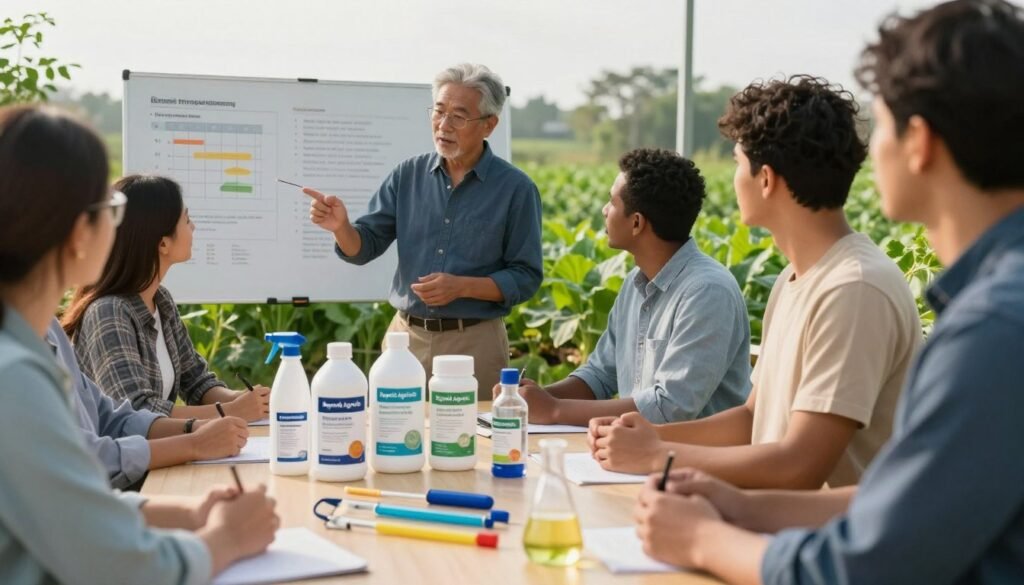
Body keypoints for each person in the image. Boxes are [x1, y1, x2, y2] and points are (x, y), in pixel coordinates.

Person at [633, 1, 1024, 583]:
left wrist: (704, 539)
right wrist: (733, 504)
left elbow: (870, 560)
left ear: (919, 142)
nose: (869, 155)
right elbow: (900, 503)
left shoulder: (993, 326)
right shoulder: (992, 303)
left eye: (882, 125)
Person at [591, 75, 922, 488]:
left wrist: (659, 455)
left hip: (818, 543)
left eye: (736, 163)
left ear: (765, 179)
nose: (733, 179)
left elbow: (800, 465)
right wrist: (645, 436)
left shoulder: (853, 289)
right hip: (773, 525)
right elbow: (753, 418)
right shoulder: (794, 278)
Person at [0, 104, 278, 584]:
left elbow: (104, 432)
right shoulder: (13, 377)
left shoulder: (38, 334)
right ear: (73, 232)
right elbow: (116, 564)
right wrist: (225, 539)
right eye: (110, 211)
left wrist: (191, 513)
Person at [306, 63, 543, 397]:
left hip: (475, 342)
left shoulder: (516, 189)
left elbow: (526, 276)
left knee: (473, 443)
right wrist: (341, 227)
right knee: (391, 436)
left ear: (489, 125)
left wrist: (463, 287)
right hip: (404, 340)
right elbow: (365, 246)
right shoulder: (407, 175)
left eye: (458, 116)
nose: (443, 125)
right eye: (439, 111)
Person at [494, 148, 751, 425]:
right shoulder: (635, 283)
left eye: (612, 202)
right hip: (638, 454)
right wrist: (527, 399)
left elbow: (671, 407)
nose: (604, 210)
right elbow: (600, 375)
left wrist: (555, 410)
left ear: (637, 223)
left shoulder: (707, 292)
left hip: (696, 461)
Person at [63, 174, 270, 421]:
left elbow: (196, 381)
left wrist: (246, 400)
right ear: (163, 244)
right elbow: (136, 415)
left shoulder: (160, 300)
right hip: (110, 458)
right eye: (187, 220)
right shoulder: (109, 312)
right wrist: (228, 412)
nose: (193, 227)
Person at [46, 317, 249, 489]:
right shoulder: (108, 312)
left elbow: (109, 417)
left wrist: (193, 427)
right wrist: (195, 443)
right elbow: (79, 457)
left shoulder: (50, 327)